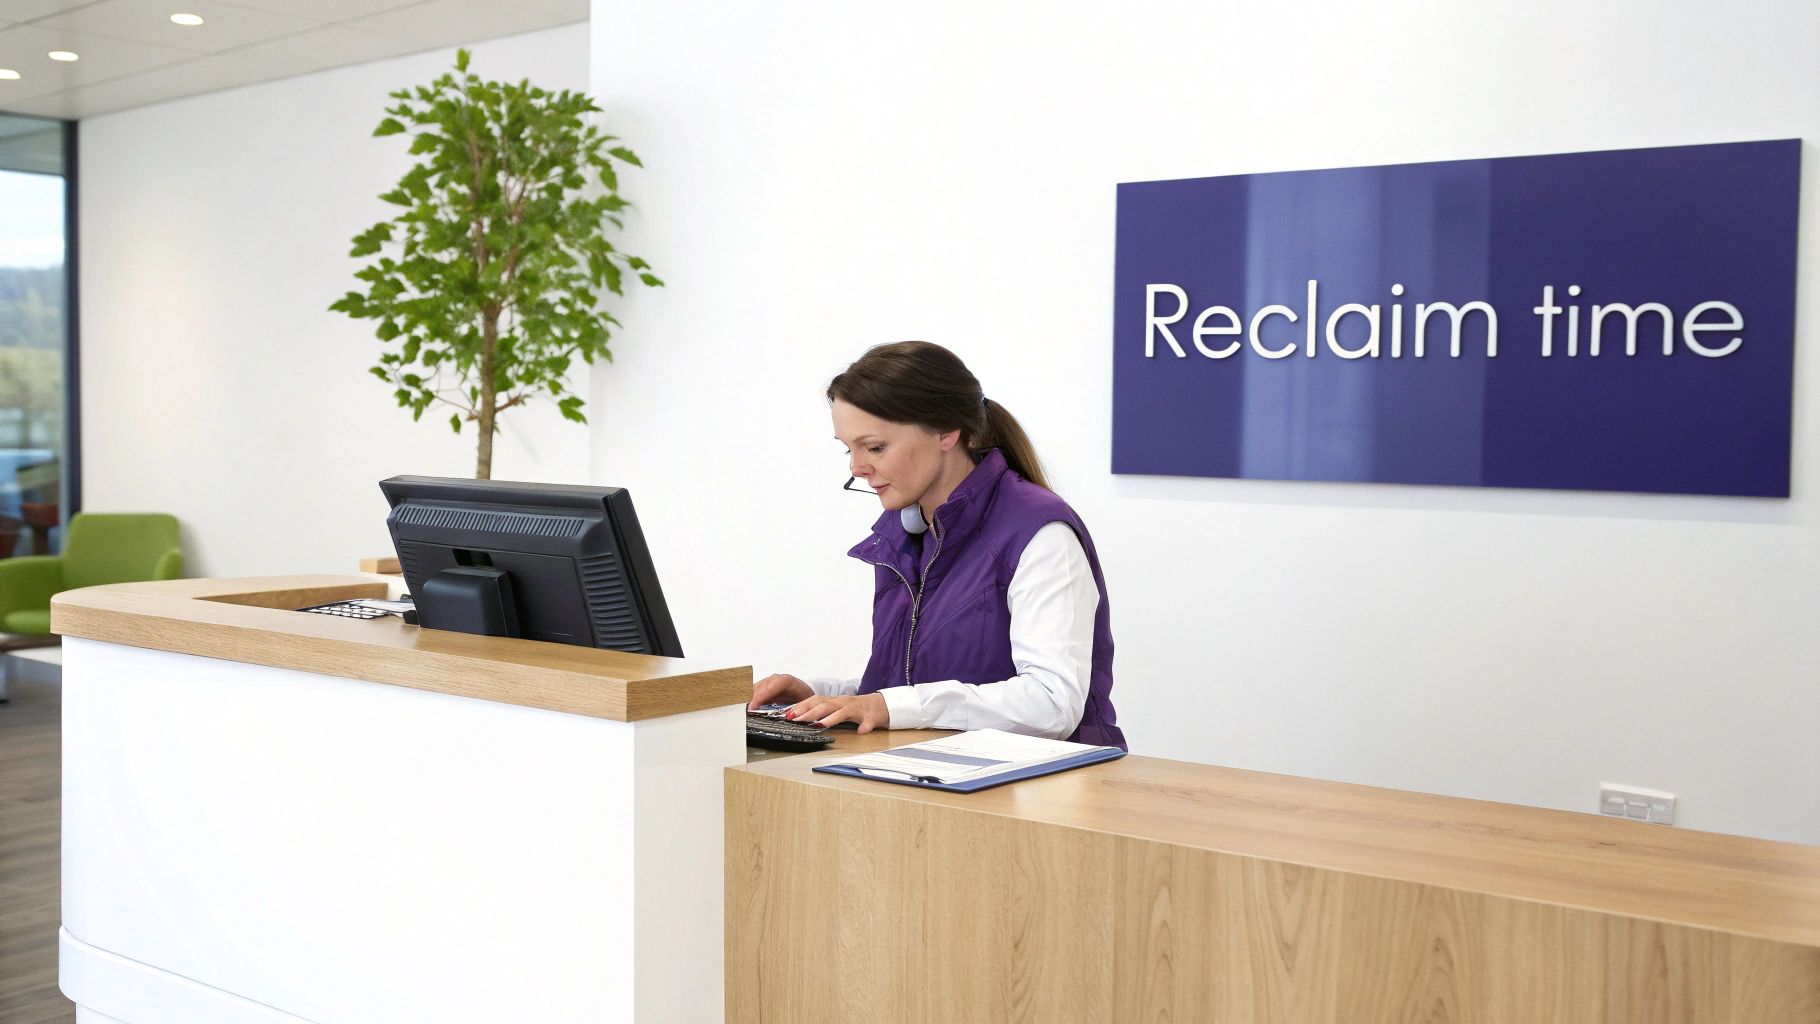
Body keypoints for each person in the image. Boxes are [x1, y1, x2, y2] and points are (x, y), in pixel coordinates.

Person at [749, 341, 1126, 750]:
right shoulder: (905, 534)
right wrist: (824, 698)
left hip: (1043, 792)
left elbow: (1053, 704)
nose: (856, 468)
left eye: (875, 447)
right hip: (940, 779)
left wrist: (886, 706)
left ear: (947, 432)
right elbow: (916, 688)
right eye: (849, 449)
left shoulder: (1039, 532)